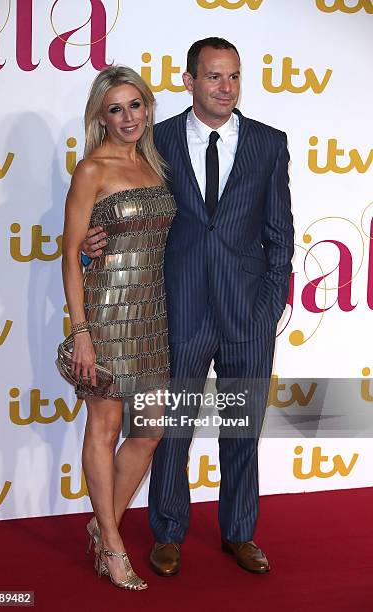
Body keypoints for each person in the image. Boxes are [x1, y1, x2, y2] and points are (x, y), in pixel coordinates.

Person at [82, 37, 294, 576]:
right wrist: (92, 242)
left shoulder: (270, 144)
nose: (226, 88)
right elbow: (124, 208)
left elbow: (280, 234)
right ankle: (168, 531)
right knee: (170, 428)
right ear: (190, 80)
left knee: (243, 427)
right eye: (215, 77)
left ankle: (240, 533)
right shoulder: (158, 139)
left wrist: (268, 307)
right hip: (178, 308)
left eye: (234, 77)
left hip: (248, 312)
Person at [61, 65, 176, 590]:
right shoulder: (91, 169)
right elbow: (69, 256)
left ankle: (98, 522)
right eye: (116, 109)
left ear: (147, 108)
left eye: (135, 105)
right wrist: (80, 330)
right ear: (100, 116)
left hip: (152, 318)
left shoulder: (156, 166)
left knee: (149, 434)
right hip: (106, 316)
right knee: (103, 430)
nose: (128, 117)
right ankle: (112, 542)